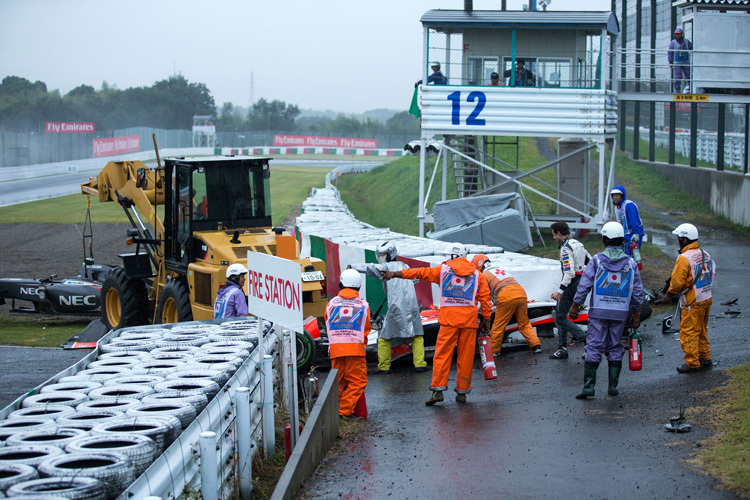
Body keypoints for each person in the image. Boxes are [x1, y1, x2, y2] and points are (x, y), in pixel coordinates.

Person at [382, 243, 492, 406]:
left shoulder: (442, 270)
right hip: (469, 321)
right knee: (466, 357)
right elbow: (485, 298)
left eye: (447, 256)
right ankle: (462, 393)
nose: (446, 259)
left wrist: (395, 273)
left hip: (449, 321)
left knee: (442, 355)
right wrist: (487, 319)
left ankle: (438, 391)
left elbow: (419, 272)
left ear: (454, 256)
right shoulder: (478, 275)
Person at [569, 222, 643, 399]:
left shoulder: (596, 261)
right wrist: (637, 313)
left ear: (604, 240)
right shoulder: (631, 264)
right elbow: (637, 290)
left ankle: (589, 387)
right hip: (620, 312)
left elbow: (584, 284)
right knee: (615, 346)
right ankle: (613, 387)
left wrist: (575, 305)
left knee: (594, 345)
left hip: (599, 312)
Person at [349, 241, 427, 374]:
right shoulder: (404, 265)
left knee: (385, 337)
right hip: (412, 304)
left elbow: (371, 268)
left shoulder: (386, 267)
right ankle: (419, 364)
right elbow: (414, 280)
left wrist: (353, 267)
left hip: (396, 305)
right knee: (417, 335)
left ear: (390, 255)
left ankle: (384, 366)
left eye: (383, 255)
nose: (381, 258)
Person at [662, 223, 716, 373]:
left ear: (684, 239)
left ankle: (693, 363)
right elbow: (712, 273)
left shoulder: (684, 258)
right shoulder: (705, 254)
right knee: (701, 330)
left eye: (678, 238)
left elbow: (677, 282)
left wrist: (669, 294)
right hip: (706, 298)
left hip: (692, 301)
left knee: (689, 332)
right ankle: (705, 357)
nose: (677, 241)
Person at [471, 254, 541, 355]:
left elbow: (484, 294)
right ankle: (536, 345)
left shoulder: (484, 275)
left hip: (506, 296)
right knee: (524, 323)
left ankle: (494, 351)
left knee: (498, 326)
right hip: (521, 293)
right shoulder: (500, 269)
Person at [325, 268, 371, 419]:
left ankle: (333, 410)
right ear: (359, 286)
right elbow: (366, 329)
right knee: (357, 381)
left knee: (338, 381)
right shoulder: (364, 305)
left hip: (336, 348)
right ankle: (343, 411)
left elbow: (327, 323)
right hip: (355, 348)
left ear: (340, 284)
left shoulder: (331, 304)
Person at [549, 222, 589, 360]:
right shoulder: (578, 244)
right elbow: (589, 262)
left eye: (554, 234)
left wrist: (560, 291)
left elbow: (570, 272)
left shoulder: (565, 248)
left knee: (560, 316)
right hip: (580, 282)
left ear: (559, 233)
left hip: (571, 284)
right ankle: (562, 348)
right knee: (561, 313)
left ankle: (585, 340)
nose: (554, 237)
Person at [610, 186, 645, 257]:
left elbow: (634, 220)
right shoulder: (617, 207)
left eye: (617, 195)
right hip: (625, 235)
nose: (615, 197)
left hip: (634, 234)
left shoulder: (629, 205)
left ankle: (634, 268)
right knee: (624, 256)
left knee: (633, 257)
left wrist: (636, 233)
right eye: (613, 195)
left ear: (622, 196)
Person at [668, 27, 693, 94]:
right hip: (677, 62)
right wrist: (670, 61)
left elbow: (692, 48)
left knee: (689, 76)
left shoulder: (686, 41)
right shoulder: (673, 43)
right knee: (677, 77)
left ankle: (691, 88)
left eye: (679, 34)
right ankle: (677, 90)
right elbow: (670, 52)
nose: (678, 35)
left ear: (682, 34)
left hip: (686, 62)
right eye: (676, 34)